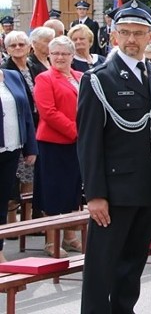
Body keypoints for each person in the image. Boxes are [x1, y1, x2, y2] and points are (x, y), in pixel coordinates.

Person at [76, 0, 151, 314]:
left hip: (150, 189)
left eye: (138, 33)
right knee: (101, 267)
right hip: (115, 191)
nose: (132, 40)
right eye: (125, 33)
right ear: (113, 36)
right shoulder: (99, 78)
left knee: (133, 264)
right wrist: (94, 194)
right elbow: (89, 143)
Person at [33, 35, 84, 257]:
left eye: (65, 53)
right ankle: (51, 241)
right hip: (54, 144)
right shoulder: (45, 79)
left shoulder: (80, 76)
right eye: (56, 53)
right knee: (53, 193)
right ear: (49, 56)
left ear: (73, 56)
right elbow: (48, 112)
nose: (60, 57)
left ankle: (70, 237)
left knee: (73, 191)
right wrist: (76, 132)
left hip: (78, 145)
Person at [3, 31, 42, 224]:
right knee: (11, 188)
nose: (18, 48)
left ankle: (26, 224)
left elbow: (28, 107)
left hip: (25, 134)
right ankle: (11, 225)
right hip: (8, 138)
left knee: (25, 180)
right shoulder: (8, 69)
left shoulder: (29, 69)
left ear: (29, 47)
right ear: (7, 49)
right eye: (13, 45)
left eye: (21, 44)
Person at [0, 68, 38, 263]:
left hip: (12, 147)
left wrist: (30, 146)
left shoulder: (12, 76)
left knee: (2, 200)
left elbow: (26, 113)